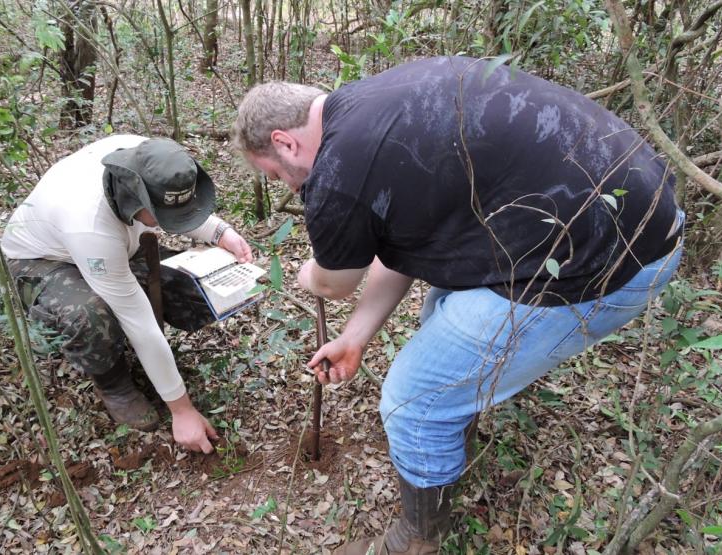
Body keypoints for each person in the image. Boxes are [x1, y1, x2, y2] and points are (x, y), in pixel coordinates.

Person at [233, 56, 683, 554]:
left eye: (276, 175)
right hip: (645, 211)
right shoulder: (374, 103)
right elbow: (401, 241)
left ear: (283, 141)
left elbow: (334, 283)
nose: (288, 187)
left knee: (413, 401)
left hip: (611, 261)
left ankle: (418, 539)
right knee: (437, 319)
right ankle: (450, 439)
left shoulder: (338, 171)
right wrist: (355, 337)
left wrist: (308, 273)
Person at [1, 135, 253, 454]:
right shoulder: (89, 224)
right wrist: (182, 410)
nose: (173, 224)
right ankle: (112, 380)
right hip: (44, 261)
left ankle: (152, 362)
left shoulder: (146, 155)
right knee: (91, 314)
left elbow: (173, 204)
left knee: (195, 287)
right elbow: (140, 323)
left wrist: (220, 233)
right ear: (137, 200)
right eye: (167, 220)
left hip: (120, 244)